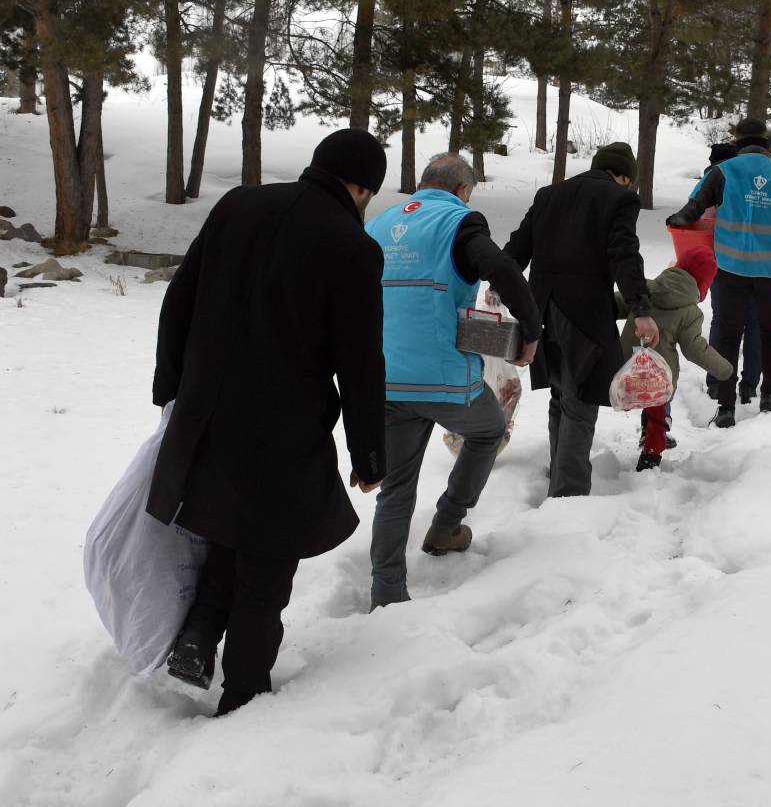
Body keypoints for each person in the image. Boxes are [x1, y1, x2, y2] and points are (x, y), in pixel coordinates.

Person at [149, 129, 389, 716]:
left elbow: (179, 298)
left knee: (225, 532)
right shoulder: (351, 247)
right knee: (265, 562)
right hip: (283, 433)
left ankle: (199, 639)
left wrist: (170, 389)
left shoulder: (238, 205)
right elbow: (360, 361)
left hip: (206, 415)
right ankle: (244, 698)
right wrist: (368, 453)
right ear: (360, 187)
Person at [363, 154, 540, 610]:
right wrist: (532, 329)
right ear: (463, 190)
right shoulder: (459, 222)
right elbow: (501, 269)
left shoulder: (378, 225)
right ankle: (447, 523)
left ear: (423, 184)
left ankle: (386, 592)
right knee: (487, 431)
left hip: (385, 378)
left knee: (396, 489)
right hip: (443, 381)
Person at [505, 142, 659, 497]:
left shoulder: (548, 195)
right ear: (623, 176)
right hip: (583, 317)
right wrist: (641, 310)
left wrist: (502, 287)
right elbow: (624, 254)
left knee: (561, 397)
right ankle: (569, 494)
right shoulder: (619, 198)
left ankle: (559, 476)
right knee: (579, 403)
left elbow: (515, 251)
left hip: (541, 312)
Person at [666, 118, 771, 429]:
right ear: (767, 142)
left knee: (728, 336)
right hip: (769, 271)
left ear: (737, 141)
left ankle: (725, 408)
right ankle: (769, 397)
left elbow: (694, 208)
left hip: (730, 267)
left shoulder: (725, 171)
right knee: (767, 335)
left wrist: (677, 220)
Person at [616, 246, 733, 471]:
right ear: (703, 284)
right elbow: (694, 349)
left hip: (625, 369)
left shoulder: (643, 291)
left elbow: (614, 303)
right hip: (659, 379)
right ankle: (650, 456)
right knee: (657, 414)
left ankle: (645, 432)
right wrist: (724, 370)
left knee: (641, 395)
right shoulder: (690, 312)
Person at [699, 142, 762, 404]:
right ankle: (748, 385)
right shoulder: (736, 184)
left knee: (721, 321)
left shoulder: (704, 184)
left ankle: (716, 382)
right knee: (752, 323)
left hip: (716, 263)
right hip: (750, 262)